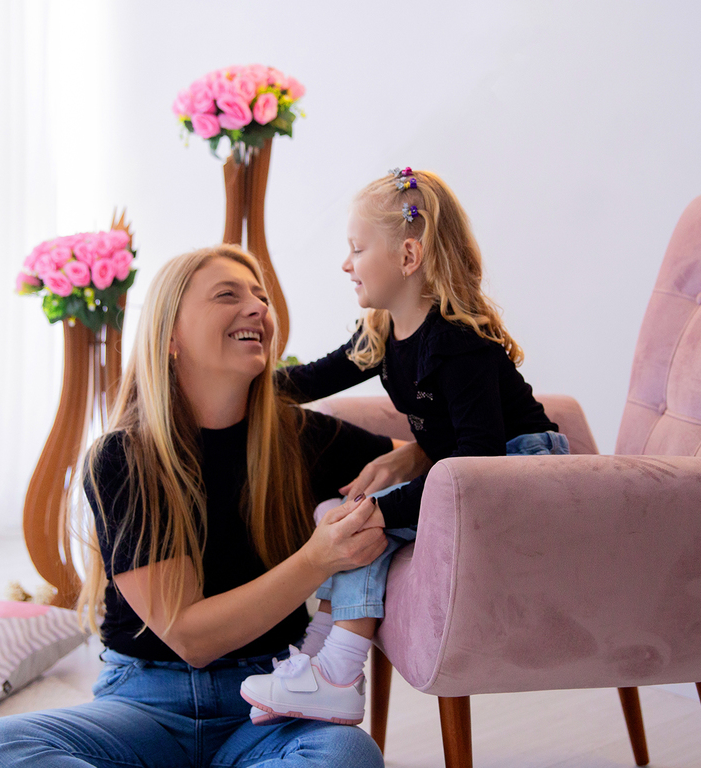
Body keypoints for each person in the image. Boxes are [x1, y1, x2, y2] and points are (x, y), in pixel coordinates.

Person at [0, 244, 427, 768]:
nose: (257, 307)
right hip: (144, 707)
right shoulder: (124, 457)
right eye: (229, 294)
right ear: (171, 338)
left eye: (260, 296)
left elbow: (442, 463)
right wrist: (317, 559)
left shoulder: (300, 437)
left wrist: (411, 453)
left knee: (349, 761)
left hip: (267, 700)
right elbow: (190, 637)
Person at [241, 168, 568, 726]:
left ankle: (339, 674)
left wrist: (380, 509)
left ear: (408, 255)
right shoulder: (381, 332)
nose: (346, 264)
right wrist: (233, 382)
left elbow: (479, 464)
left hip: (519, 470)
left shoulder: (456, 342)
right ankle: (319, 661)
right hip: (465, 472)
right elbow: (309, 380)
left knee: (359, 525)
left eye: (357, 249)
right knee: (336, 517)